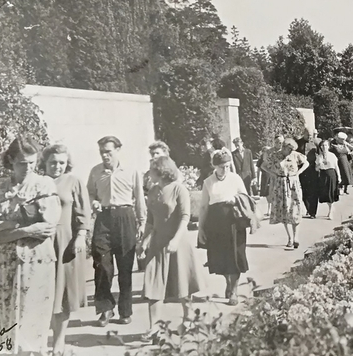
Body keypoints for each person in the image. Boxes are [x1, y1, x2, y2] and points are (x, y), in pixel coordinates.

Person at [0, 137, 61, 356]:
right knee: (6, 308)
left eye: (32, 162)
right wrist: (25, 229)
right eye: (22, 163)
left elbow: (47, 227)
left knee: (32, 309)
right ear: (11, 162)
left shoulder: (45, 185)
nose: (28, 168)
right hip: (6, 260)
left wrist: (7, 224)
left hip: (36, 259)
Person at [138, 156, 205, 335]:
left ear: (161, 171)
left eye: (151, 169)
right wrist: (144, 241)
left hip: (178, 242)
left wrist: (175, 240)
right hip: (158, 243)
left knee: (182, 285)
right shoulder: (152, 191)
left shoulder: (178, 189)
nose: (149, 173)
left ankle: (188, 319)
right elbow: (150, 221)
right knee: (153, 284)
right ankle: (155, 327)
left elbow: (185, 217)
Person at [87, 136, 146, 327]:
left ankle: (125, 310)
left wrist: (142, 222)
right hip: (104, 218)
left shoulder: (131, 171)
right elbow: (90, 193)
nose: (105, 155)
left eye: (108, 151)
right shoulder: (95, 172)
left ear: (118, 150)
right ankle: (105, 308)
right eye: (102, 152)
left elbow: (139, 198)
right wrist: (93, 202)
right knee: (102, 265)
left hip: (125, 217)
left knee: (125, 267)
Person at [40, 143, 91, 356]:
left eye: (61, 162)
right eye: (53, 162)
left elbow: (83, 214)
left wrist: (80, 237)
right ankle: (42, 344)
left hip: (65, 243)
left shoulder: (74, 181)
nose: (57, 166)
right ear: (45, 163)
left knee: (61, 296)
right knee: (42, 294)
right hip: (40, 243)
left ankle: (58, 344)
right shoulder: (38, 182)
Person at [197, 150, 249, 305]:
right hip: (216, 225)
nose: (225, 170)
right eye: (221, 167)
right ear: (214, 166)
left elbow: (246, 198)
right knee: (221, 258)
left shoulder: (235, 178)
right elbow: (204, 207)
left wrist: (235, 199)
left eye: (227, 166)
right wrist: (200, 229)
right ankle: (228, 281)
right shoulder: (208, 182)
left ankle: (234, 290)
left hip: (235, 223)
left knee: (236, 256)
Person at [262, 138, 309, 249]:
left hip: (293, 184)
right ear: (283, 147)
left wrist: (298, 172)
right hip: (281, 184)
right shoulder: (275, 155)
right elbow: (263, 165)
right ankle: (290, 238)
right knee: (284, 211)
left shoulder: (295, 155)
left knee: (295, 210)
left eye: (290, 150)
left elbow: (306, 163)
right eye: (287, 149)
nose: (288, 151)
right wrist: (273, 174)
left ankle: (296, 237)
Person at [315, 140, 341, 220]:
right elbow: (316, 169)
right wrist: (319, 165)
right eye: (322, 146)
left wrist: (339, 177)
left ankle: (330, 211)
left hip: (331, 174)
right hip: (323, 175)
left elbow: (336, 166)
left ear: (329, 146)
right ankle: (331, 208)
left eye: (326, 145)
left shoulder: (332, 155)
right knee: (325, 193)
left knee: (331, 193)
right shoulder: (319, 156)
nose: (324, 147)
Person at [298, 142, 319, 219]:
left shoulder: (316, 142)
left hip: (313, 170)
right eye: (308, 135)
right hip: (302, 170)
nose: (309, 137)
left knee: (313, 192)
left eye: (311, 135)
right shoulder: (299, 142)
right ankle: (308, 209)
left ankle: (313, 212)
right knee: (304, 191)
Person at [256, 146, 272, 218]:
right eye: (265, 151)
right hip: (264, 177)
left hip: (271, 176)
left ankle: (270, 208)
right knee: (266, 193)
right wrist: (257, 180)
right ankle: (269, 207)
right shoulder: (261, 159)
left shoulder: (272, 157)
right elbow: (258, 170)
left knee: (271, 192)